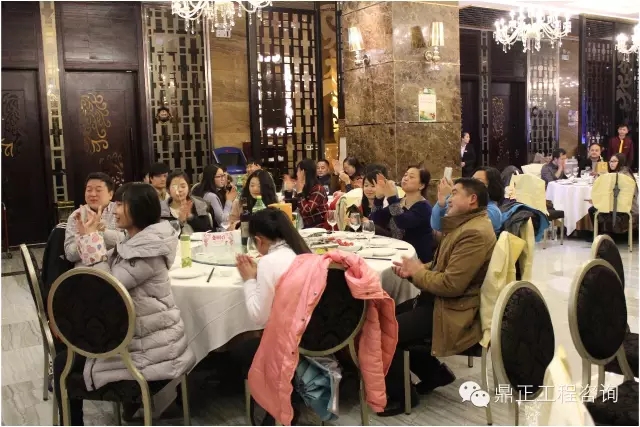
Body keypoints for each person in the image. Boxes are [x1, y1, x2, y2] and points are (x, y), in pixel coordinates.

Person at [53, 183, 195, 426]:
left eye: (120, 205)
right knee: (68, 354)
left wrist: (92, 240)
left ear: (138, 209)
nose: (114, 210)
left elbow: (106, 289)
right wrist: (91, 236)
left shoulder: (146, 252)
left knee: (62, 363)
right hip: (147, 341)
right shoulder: (142, 240)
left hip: (148, 353)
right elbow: (113, 251)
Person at [378, 178, 497, 416]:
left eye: (455, 193)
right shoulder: (465, 225)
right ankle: (435, 374)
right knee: (385, 316)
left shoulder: (474, 233)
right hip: (442, 302)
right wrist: (415, 270)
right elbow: (441, 266)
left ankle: (403, 397)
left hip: (455, 311)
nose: (449, 199)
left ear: (472, 199)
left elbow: (451, 285)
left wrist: (417, 272)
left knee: (385, 331)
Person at [370, 166, 434, 263]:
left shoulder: (424, 207)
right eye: (405, 175)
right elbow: (376, 221)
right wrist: (378, 198)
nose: (406, 178)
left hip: (416, 259)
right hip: (396, 253)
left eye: (411, 177)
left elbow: (402, 222)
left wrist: (391, 197)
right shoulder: (400, 202)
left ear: (421, 185)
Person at [64, 172, 125, 265]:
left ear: (110, 194)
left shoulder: (120, 211)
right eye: (89, 190)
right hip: (86, 268)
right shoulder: (76, 216)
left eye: (98, 190)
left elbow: (127, 240)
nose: (93, 194)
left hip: (116, 265)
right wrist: (86, 237)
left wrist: (100, 233)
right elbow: (70, 254)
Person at [432, 167, 503, 234]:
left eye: (478, 181)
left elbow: (453, 225)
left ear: (492, 186)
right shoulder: (468, 205)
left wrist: (450, 195)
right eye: (472, 180)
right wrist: (442, 202)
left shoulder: (493, 211)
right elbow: (437, 226)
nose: (472, 184)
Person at [160, 170, 213, 234]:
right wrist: (180, 222)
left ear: (188, 188)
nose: (179, 190)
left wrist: (191, 217)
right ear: (168, 190)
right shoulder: (161, 210)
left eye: (183, 186)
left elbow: (209, 231)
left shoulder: (200, 205)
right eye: (175, 187)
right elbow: (162, 235)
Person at [289, 159, 329, 229]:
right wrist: (288, 191)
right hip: (306, 227)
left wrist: (300, 193)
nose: (296, 174)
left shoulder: (318, 189)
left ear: (303, 172)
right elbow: (292, 208)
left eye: (298, 171)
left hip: (318, 228)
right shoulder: (303, 187)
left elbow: (306, 210)